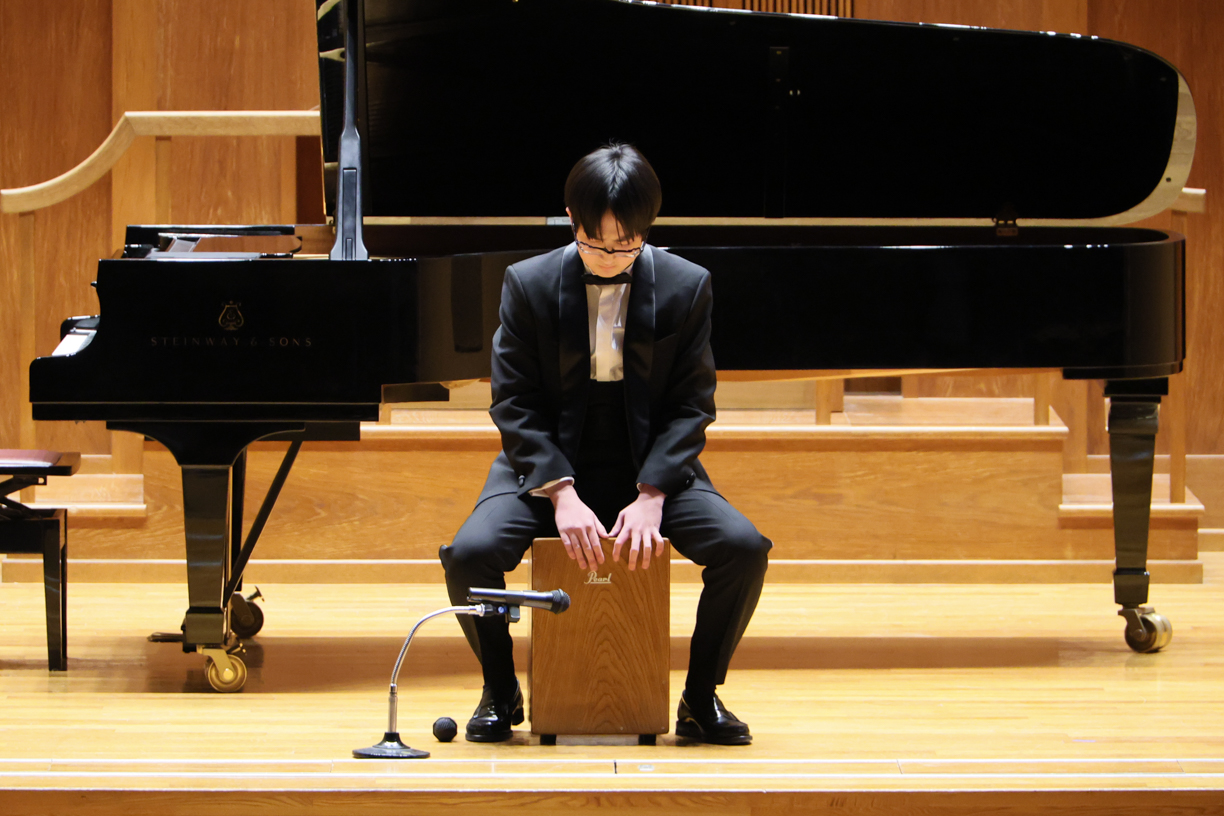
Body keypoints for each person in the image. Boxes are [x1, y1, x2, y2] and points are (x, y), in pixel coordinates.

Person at [440, 143, 771, 745]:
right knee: (469, 553)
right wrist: (560, 492)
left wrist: (653, 494)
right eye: (597, 244)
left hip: (650, 465)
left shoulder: (687, 284)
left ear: (648, 227)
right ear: (572, 218)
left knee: (743, 549)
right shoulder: (529, 282)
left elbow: (692, 404)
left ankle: (700, 697)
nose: (612, 258)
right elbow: (514, 401)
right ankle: (499, 689)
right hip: (547, 465)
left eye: (627, 244)